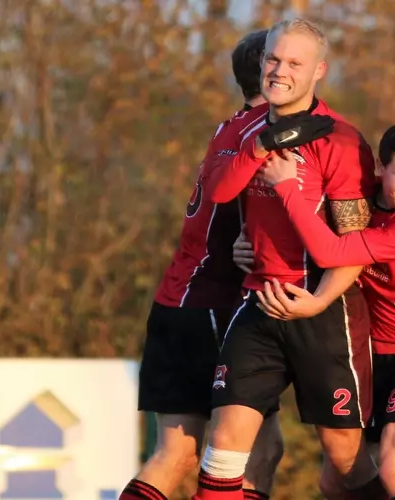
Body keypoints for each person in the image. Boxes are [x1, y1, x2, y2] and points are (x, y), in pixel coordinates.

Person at [192, 18, 387, 500]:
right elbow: (219, 190)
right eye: (273, 59)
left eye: (294, 63)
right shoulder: (246, 131)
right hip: (256, 304)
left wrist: (318, 301)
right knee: (223, 445)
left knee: (343, 459)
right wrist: (262, 146)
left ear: (318, 70)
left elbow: (356, 243)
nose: (279, 71)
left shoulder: (340, 139)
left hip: (323, 311)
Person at [254, 120, 395, 499]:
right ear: (380, 167)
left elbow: (330, 252)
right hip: (366, 352)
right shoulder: (357, 199)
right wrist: (247, 242)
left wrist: (285, 186)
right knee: (336, 481)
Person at [120, 30, 284, 500]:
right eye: (285, 62)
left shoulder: (231, 127)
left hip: (181, 298)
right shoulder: (267, 133)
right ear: (269, 72)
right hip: (211, 304)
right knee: (238, 454)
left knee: (225, 452)